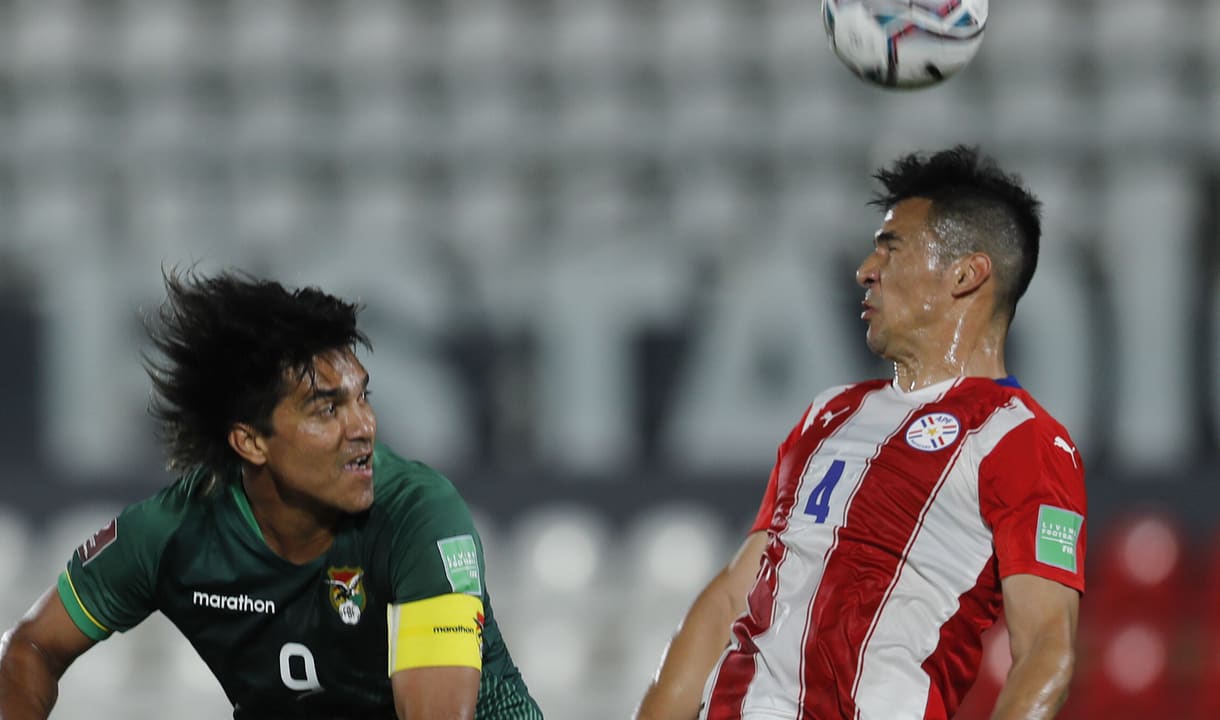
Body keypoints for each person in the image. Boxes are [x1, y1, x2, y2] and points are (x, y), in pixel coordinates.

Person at [636, 146, 1086, 720]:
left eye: (891, 249)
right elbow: (730, 596)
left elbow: (1047, 648)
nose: (865, 270)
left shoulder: (1024, 442)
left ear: (967, 275)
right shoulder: (830, 412)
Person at [0, 270, 543, 720]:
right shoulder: (171, 534)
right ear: (250, 441)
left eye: (362, 397)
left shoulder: (419, 515)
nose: (364, 427)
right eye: (327, 408)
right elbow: (30, 648)